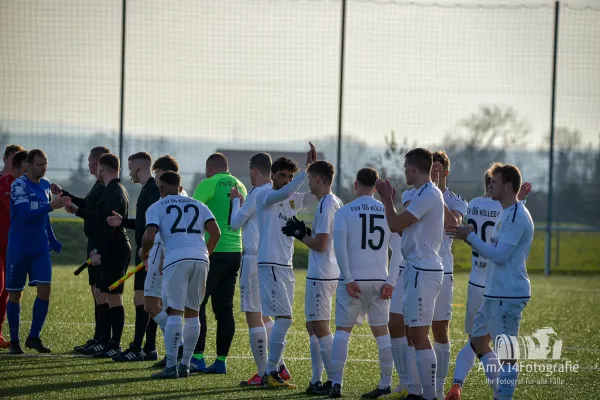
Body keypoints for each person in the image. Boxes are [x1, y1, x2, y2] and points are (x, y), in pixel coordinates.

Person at [445, 164, 533, 400]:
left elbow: (501, 256)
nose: (490, 185)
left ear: (508, 186)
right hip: (493, 293)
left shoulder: (515, 216)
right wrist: (470, 238)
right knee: (477, 342)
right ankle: (479, 390)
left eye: (494, 181)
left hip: (508, 294)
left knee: (507, 354)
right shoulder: (506, 212)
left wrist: (470, 236)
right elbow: (490, 252)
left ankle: (503, 397)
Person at [375, 148, 446, 400]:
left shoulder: (429, 194)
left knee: (418, 334)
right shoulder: (421, 193)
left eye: (406, 167)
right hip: (416, 269)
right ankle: (415, 391)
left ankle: (430, 395)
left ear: (414, 168)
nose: (404, 171)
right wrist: (391, 202)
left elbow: (395, 224)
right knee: (411, 333)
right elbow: (403, 228)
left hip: (424, 270)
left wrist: (385, 199)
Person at [140, 171, 221, 379]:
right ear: (180, 185)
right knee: (193, 312)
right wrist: (206, 254)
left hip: (176, 259)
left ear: (161, 188)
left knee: (175, 311)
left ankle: (170, 367)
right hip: (200, 258)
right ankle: (185, 365)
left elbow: (150, 234)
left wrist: (144, 251)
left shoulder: (156, 206)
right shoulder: (198, 204)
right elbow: (216, 232)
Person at [329, 167, 394, 399]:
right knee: (382, 334)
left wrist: (348, 278)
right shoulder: (388, 211)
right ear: (376, 187)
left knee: (343, 333)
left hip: (353, 280)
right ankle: (386, 383)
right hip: (379, 280)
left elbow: (340, 249)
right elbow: (399, 251)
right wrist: (391, 281)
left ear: (356, 185)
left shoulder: (344, 212)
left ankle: (336, 383)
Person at [256, 143, 317, 388]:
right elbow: (286, 192)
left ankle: (275, 370)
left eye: (291, 176)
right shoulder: (265, 196)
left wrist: (314, 173)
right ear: (272, 176)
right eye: (283, 175)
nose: (288, 181)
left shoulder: (291, 199)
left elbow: (315, 194)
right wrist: (306, 170)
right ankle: (271, 371)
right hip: (270, 263)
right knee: (284, 318)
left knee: (284, 318)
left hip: (285, 266)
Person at [282, 160, 342, 395]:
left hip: (323, 272)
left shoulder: (327, 204)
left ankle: (333, 380)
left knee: (320, 326)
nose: (308, 183)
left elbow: (321, 244)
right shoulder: (330, 202)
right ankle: (317, 379)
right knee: (312, 326)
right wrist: (304, 231)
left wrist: (300, 235)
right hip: (323, 271)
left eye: (309, 178)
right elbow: (322, 237)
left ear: (318, 179)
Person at [5, 149, 70, 354]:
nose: (44, 168)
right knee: (15, 294)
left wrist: (52, 240)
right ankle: (14, 341)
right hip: (19, 247)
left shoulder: (45, 185)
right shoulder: (18, 186)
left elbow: (44, 218)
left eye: (46, 164)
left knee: (45, 290)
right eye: (40, 164)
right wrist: (50, 206)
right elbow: (25, 214)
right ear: (29, 165)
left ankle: (34, 337)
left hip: (40, 248)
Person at [70, 153, 131, 359]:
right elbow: (99, 217)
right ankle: (104, 341)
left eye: (98, 168)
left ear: (103, 170)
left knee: (114, 297)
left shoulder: (114, 191)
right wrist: (78, 210)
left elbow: (110, 226)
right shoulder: (112, 190)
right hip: (112, 249)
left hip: (115, 250)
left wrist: (100, 252)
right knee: (104, 295)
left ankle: (114, 344)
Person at [50, 146, 111, 353]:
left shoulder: (107, 188)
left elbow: (97, 215)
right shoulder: (98, 185)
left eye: (89, 162)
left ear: (96, 163)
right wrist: (65, 196)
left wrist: (77, 210)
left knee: (101, 292)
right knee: (96, 292)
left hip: (100, 244)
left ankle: (105, 339)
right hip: (93, 242)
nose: (88, 166)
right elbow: (88, 205)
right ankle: (98, 337)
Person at [190, 153, 246, 373]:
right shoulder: (240, 185)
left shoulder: (208, 183)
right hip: (235, 252)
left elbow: (192, 212)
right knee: (224, 310)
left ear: (210, 166)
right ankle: (221, 361)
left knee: (198, 303)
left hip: (213, 250)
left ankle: (197, 357)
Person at [228, 152, 278, 386]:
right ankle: (279, 368)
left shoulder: (257, 193)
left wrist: (236, 200)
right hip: (272, 259)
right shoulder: (276, 193)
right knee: (265, 314)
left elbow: (235, 223)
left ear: (254, 171)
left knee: (253, 316)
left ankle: (263, 373)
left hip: (253, 259)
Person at [106, 152, 161, 362]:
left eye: (131, 169)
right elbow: (143, 222)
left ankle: (139, 347)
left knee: (145, 300)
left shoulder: (152, 190)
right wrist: (124, 222)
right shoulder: (148, 189)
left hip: (148, 252)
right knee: (147, 300)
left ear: (138, 168)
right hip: (146, 251)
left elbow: (153, 226)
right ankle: (148, 347)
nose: (129, 173)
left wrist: (148, 252)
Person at [427, 151, 468, 400]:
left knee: (440, 328)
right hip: (418, 269)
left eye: (439, 168)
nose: (435, 172)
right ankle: (416, 387)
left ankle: (440, 389)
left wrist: (437, 197)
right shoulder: (416, 194)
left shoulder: (455, 199)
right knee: (414, 329)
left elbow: (454, 224)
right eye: (431, 168)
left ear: (446, 172)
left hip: (444, 269)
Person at [143, 155, 188, 369]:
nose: (155, 177)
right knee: (171, 307)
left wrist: (150, 254)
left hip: (163, 252)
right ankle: (175, 350)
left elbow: (156, 232)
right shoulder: (185, 195)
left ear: (163, 173)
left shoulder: (162, 199)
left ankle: (178, 348)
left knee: (152, 305)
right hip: (182, 255)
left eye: (156, 173)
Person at [0, 150, 28, 349]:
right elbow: (17, 210)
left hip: (14, 247)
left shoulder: (31, 186)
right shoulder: (5, 183)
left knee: (7, 293)